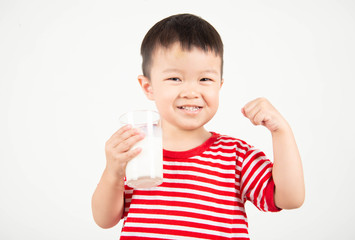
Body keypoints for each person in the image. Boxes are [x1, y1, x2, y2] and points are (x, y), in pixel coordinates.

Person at [92, 13, 305, 239]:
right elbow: (105, 220)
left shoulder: (235, 156)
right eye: (175, 78)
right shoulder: (137, 150)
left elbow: (290, 198)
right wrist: (113, 171)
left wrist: (281, 131)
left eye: (205, 79)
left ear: (219, 86)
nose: (191, 92)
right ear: (148, 87)